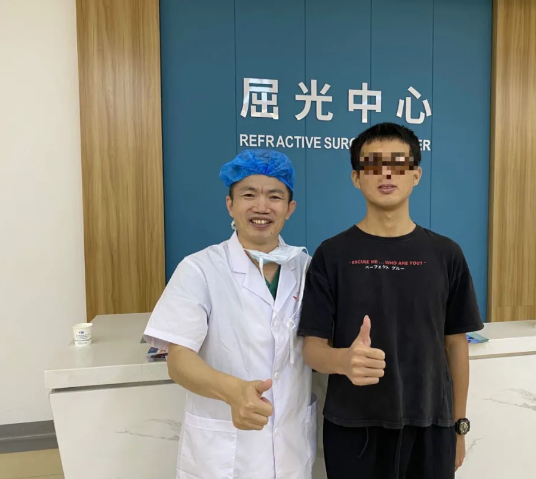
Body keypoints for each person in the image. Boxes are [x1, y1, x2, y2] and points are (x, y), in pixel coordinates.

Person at [298, 122, 484, 479]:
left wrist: (459, 427)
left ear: (416, 174)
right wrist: (343, 360)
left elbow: (456, 344)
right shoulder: (332, 255)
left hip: (431, 426)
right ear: (356, 178)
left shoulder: (446, 254)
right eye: (372, 164)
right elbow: (312, 349)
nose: (385, 173)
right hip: (354, 429)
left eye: (398, 163)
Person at [143, 149, 317, 479]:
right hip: (224, 455)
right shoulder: (199, 269)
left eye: (274, 196)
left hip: (291, 448)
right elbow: (179, 359)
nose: (262, 206)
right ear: (230, 205)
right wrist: (232, 391)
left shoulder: (308, 269)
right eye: (248, 195)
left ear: (290, 208)